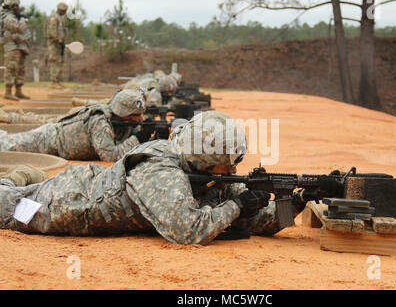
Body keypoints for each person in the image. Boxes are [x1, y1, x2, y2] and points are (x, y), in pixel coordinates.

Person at [0, 111, 319, 244]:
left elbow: (258, 222)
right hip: (59, 205)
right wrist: (236, 206)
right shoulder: (159, 169)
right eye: (228, 163)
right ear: (208, 158)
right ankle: (16, 181)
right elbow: (187, 230)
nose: (233, 171)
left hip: (82, 184)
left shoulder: (201, 170)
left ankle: (19, 177)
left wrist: (297, 201)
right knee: (10, 209)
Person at [0, 89, 153, 161]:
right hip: (47, 140)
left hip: (56, 144)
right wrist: (139, 137)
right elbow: (110, 156)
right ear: (122, 113)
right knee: (6, 145)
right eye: (135, 115)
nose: (140, 118)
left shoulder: (124, 123)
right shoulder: (100, 121)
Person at [1, 0, 30, 101]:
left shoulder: (15, 17)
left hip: (20, 46)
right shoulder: (8, 18)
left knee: (20, 69)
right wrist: (22, 19)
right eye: (16, 5)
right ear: (11, 6)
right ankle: (8, 92)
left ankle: (18, 91)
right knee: (11, 68)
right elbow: (20, 28)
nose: (18, 7)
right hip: (11, 47)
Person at [46, 2, 68, 89]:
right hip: (54, 44)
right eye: (64, 11)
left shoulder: (60, 18)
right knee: (54, 62)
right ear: (61, 10)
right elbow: (52, 31)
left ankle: (58, 81)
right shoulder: (54, 18)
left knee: (59, 62)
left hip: (59, 44)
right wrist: (58, 39)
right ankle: (53, 82)